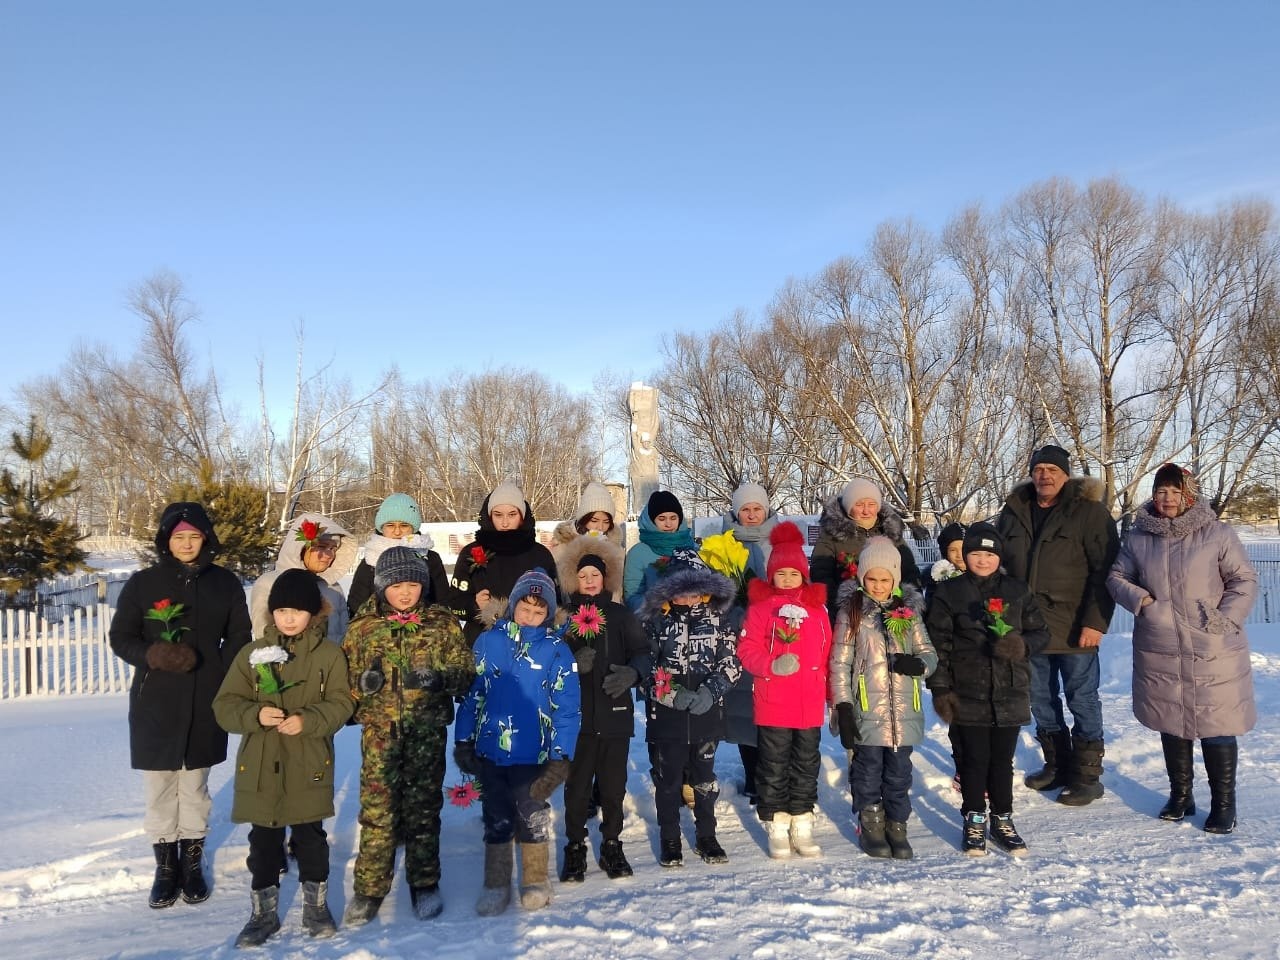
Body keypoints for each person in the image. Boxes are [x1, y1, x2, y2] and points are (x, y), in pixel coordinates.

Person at [109, 502, 253, 909]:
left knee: (195, 785)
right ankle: (165, 866)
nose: (187, 544)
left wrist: (222, 674)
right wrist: (155, 655)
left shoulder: (224, 583)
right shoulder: (143, 584)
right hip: (156, 697)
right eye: (179, 537)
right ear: (166, 540)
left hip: (207, 695)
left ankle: (191, 863)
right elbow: (121, 637)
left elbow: (240, 635)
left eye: (194, 536)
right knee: (160, 786)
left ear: (205, 539)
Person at [1107, 464, 1258, 834]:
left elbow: (1244, 579)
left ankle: (1224, 805)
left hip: (1212, 644)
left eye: (1174, 492)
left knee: (1217, 723)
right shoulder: (1140, 537)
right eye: (1160, 492)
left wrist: (1224, 619)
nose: (1166, 499)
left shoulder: (1217, 533)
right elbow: (1116, 577)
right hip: (1160, 643)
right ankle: (1181, 796)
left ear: (1188, 494)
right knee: (1171, 721)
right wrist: (1143, 603)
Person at [213, 570, 354, 947]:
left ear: (314, 613)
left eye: (298, 610)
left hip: (308, 762)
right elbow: (225, 705)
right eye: (281, 610)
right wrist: (254, 715)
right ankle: (262, 913)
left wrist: (309, 720)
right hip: (260, 765)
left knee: (311, 839)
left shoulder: (328, 656)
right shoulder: (253, 654)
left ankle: (316, 907)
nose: (289, 618)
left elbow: (342, 703)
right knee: (263, 844)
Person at [341, 547, 475, 925]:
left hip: (426, 734)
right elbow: (342, 683)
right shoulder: (363, 628)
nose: (405, 593)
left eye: (413, 584)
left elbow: (465, 673)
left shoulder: (442, 624)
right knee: (378, 813)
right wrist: (360, 686)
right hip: (380, 736)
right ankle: (369, 888)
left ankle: (424, 882)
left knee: (423, 811)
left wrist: (441, 679)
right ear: (382, 586)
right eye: (397, 585)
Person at [995, 444, 1119, 805]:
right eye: (1039, 469)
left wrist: (1095, 622)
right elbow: (997, 568)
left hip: (1075, 626)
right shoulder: (1014, 512)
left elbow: (1105, 571)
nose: (1044, 475)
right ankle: (1057, 764)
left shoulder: (1090, 514)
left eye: (1052, 469)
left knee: (1082, 698)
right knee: (1039, 697)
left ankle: (1086, 776)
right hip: (1027, 628)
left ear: (1066, 475)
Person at [453, 569, 581, 914]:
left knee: (531, 815)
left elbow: (567, 709)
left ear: (548, 615)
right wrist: (463, 740)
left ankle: (536, 879)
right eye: (525, 609)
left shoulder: (556, 651)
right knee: (496, 816)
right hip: (491, 751)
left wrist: (560, 757)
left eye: (539, 613)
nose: (530, 617)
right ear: (513, 606)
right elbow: (472, 696)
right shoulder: (489, 641)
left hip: (534, 753)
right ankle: (495, 883)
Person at [926, 524, 1050, 857]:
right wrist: (941, 690)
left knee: (1002, 761)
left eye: (990, 554)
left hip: (1009, 689)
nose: (983, 560)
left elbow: (1041, 633)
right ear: (965, 556)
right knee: (974, 760)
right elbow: (938, 646)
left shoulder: (1017, 590)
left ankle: (1003, 818)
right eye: (976, 553)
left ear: (999, 557)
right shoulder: (949, 593)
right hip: (968, 692)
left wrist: (1020, 645)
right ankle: (974, 818)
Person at [830, 536, 935, 859]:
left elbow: (928, 653)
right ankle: (871, 823)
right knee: (868, 770)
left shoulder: (909, 613)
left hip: (904, 711)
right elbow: (839, 662)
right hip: (866, 709)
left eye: (884, 579)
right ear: (862, 578)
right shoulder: (852, 613)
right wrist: (843, 706)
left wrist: (917, 665)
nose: (877, 586)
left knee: (899, 772)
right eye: (871, 579)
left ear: (895, 579)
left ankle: (897, 825)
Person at [635, 548, 742, 867]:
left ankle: (707, 835)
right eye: (682, 591)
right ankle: (669, 836)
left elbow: (732, 662)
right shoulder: (654, 621)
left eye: (696, 590)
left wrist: (712, 691)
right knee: (667, 782)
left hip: (707, 717)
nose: (689, 597)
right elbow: (646, 668)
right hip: (667, 719)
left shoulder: (719, 619)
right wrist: (672, 694)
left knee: (704, 780)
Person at [554, 535, 647, 881]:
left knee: (613, 787)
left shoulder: (622, 615)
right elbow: (550, 662)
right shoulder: (565, 618)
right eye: (583, 576)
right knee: (577, 789)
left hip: (615, 718)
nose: (590, 580)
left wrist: (633, 673)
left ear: (606, 578)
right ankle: (575, 845)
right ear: (573, 580)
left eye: (595, 574)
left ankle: (611, 843)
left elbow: (643, 652)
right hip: (577, 722)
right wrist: (571, 661)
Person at [736, 522, 831, 859]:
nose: (788, 579)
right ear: (771, 576)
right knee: (774, 764)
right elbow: (747, 650)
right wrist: (771, 665)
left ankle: (802, 821)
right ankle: (777, 822)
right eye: (781, 573)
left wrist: (832, 697)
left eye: (794, 573)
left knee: (806, 763)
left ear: (803, 575)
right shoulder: (763, 608)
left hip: (808, 703)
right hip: (774, 700)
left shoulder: (818, 610)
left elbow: (827, 651)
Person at [720, 482, 778, 805]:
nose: (752, 515)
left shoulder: (779, 541)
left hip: (775, 634)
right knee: (744, 707)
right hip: (738, 630)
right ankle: (753, 774)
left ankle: (773, 773)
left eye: (757, 508)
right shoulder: (725, 543)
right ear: (736, 513)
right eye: (746, 509)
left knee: (773, 705)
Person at [450, 482, 560, 642]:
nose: (505, 522)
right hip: (482, 640)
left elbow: (556, 604)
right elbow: (453, 603)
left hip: (530, 641)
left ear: (522, 517)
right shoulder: (472, 552)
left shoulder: (540, 554)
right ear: (489, 516)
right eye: (498, 515)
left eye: (512, 514)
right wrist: (474, 605)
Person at [810, 478, 921, 625]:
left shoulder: (891, 531)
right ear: (849, 507)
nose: (866, 510)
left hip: (890, 610)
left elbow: (908, 570)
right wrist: (840, 604)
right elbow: (821, 574)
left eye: (872, 504)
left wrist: (907, 602)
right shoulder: (832, 534)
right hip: (850, 614)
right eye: (859, 505)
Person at [250, 512, 354, 644]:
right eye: (322, 546)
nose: (329, 555)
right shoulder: (269, 583)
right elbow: (264, 638)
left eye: (333, 548)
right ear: (300, 548)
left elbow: (344, 634)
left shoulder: (333, 587)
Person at [347, 493, 449, 618]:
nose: (397, 532)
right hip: (378, 631)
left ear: (414, 528)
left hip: (425, 630)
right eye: (390, 525)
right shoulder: (371, 558)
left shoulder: (429, 558)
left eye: (404, 525)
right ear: (381, 528)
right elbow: (356, 603)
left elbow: (442, 600)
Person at [622, 490, 696, 611]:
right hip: (656, 621)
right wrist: (661, 604)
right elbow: (632, 596)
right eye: (662, 519)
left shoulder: (693, 548)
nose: (668, 524)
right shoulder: (638, 553)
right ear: (651, 521)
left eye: (673, 518)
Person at [551, 483, 624, 594]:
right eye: (594, 521)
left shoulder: (616, 549)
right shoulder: (563, 545)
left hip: (610, 609)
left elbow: (620, 590)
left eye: (606, 522)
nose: (600, 527)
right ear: (583, 519)